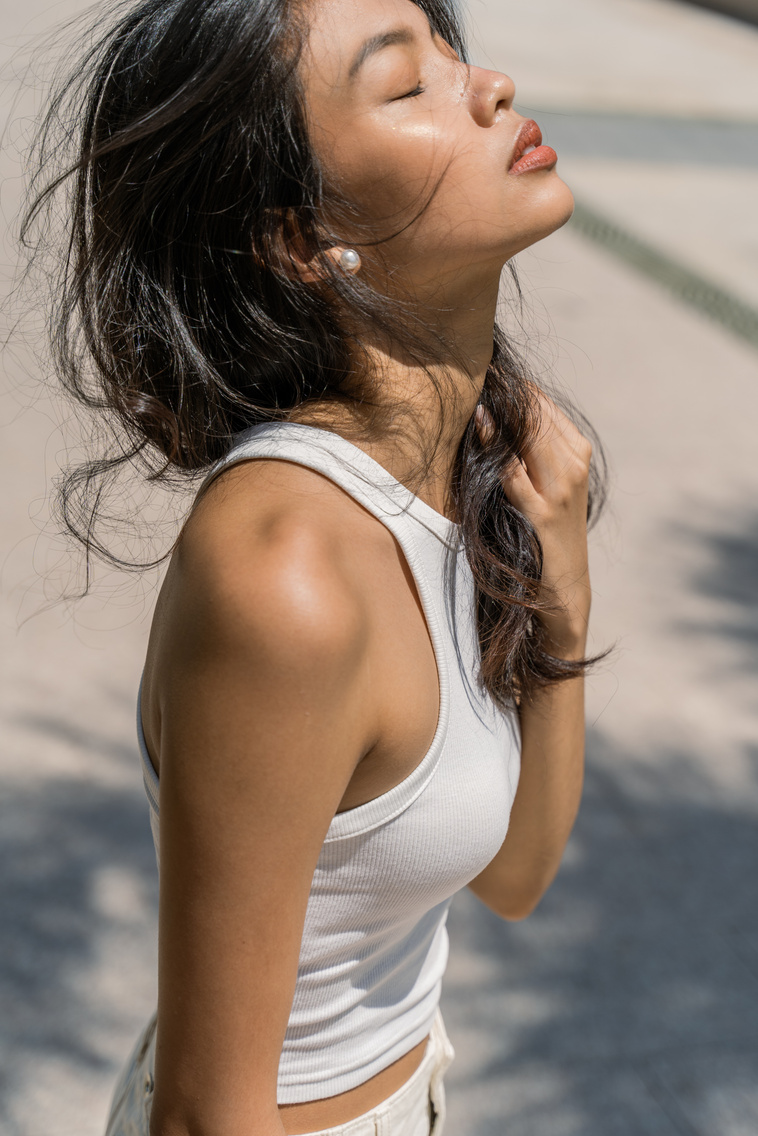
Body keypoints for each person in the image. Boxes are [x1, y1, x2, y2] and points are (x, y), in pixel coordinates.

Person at [23, 0, 604, 1132]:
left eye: (450, 47)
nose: (487, 85)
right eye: (406, 84)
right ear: (299, 240)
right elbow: (206, 1114)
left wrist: (563, 584)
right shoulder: (284, 571)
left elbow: (516, 873)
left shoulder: (458, 473)